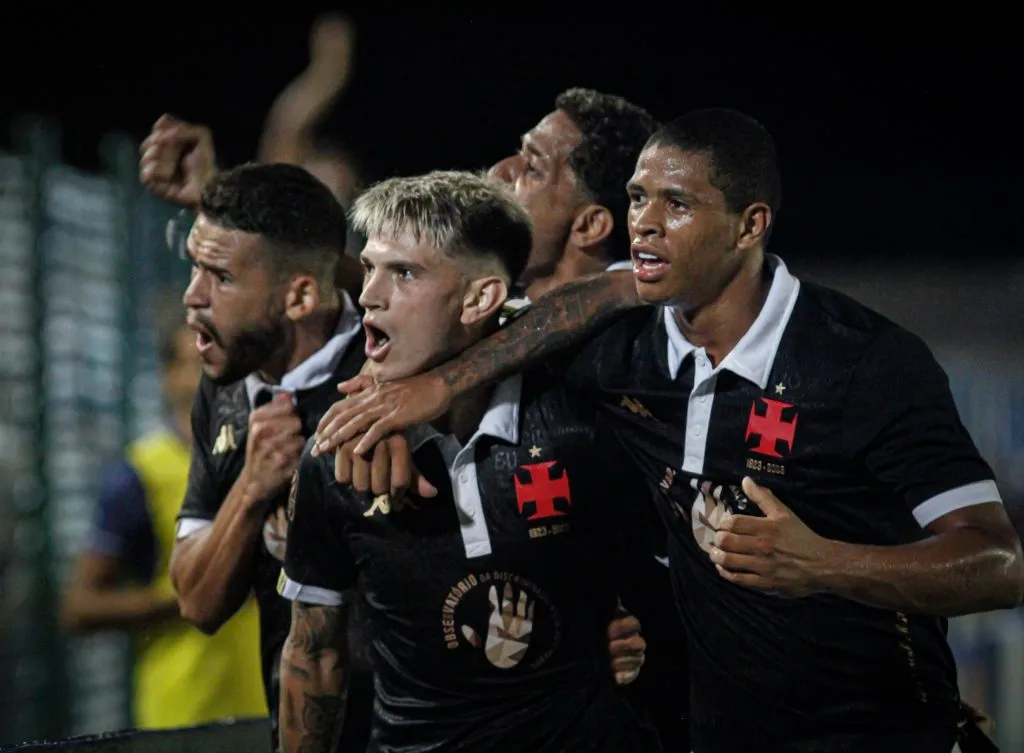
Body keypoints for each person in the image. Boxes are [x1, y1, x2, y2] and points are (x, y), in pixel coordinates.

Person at [313, 109, 1024, 753]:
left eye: (676, 204)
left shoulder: (864, 362)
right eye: (637, 198)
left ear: (750, 225)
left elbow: (998, 563)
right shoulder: (622, 353)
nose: (645, 222)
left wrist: (822, 564)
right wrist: (405, 401)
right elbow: (455, 322)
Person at [279, 171, 661, 753]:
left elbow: (667, 576)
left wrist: (630, 628)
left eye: (403, 273)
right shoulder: (335, 451)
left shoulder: (582, 426)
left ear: (481, 298)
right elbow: (314, 651)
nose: (368, 295)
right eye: (371, 268)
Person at [487, 87, 687, 750]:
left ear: (593, 226)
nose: (500, 175)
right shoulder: (489, 333)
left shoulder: (643, 354)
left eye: (533, 166)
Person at [163, 162, 373, 751]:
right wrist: (253, 487)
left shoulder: (395, 368)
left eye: (220, 277)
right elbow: (198, 601)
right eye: (194, 267)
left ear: (301, 294)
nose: (192, 297)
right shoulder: (225, 389)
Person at [59, 297, 267, 729]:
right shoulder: (138, 476)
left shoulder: (271, 460)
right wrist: (194, 591)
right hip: (184, 722)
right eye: (196, 359)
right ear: (167, 375)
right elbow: (80, 606)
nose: (215, 373)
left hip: (273, 718)